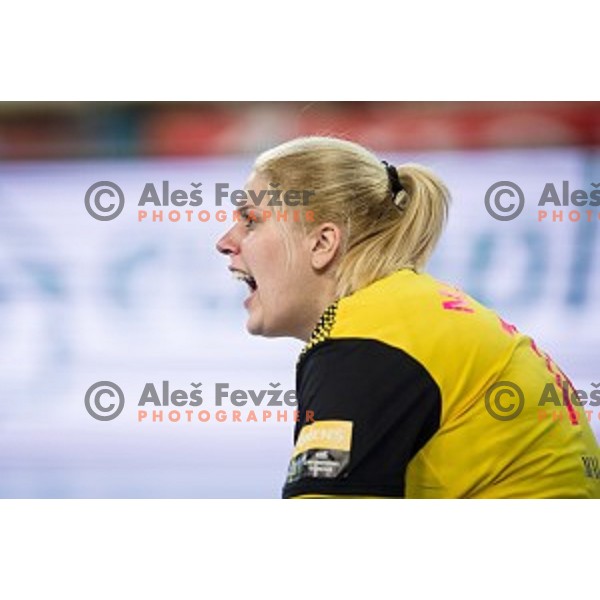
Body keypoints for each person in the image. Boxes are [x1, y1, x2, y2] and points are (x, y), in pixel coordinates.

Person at [216, 136, 600, 499]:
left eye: (251, 221)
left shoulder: (366, 342)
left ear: (322, 243)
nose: (224, 242)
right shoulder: (402, 316)